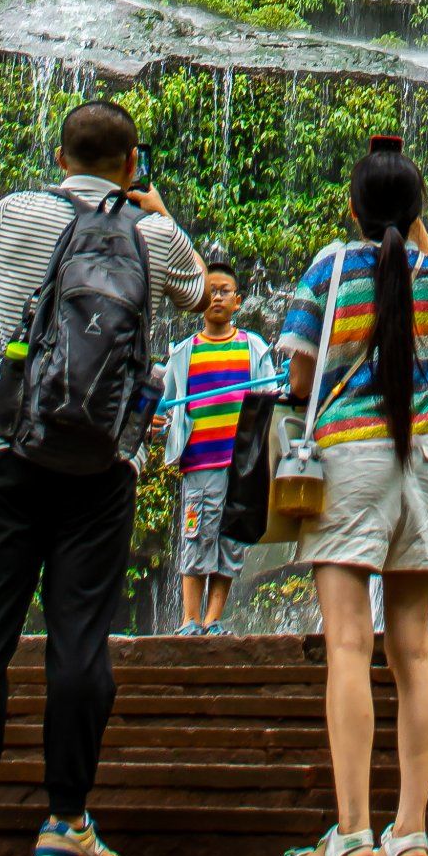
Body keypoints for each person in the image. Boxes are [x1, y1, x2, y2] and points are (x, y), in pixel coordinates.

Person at [0, 102, 204, 856]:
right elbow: (190, 289)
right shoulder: (153, 235)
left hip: (5, 442)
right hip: (104, 458)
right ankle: (65, 822)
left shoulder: (16, 214)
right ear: (132, 161)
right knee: (81, 638)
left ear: (58, 154)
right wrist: (154, 209)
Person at [276, 134, 428, 856]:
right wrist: (410, 210)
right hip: (420, 461)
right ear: (420, 212)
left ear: (351, 209)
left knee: (349, 645)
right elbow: (424, 262)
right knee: (414, 650)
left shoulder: (331, 264)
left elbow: (297, 371)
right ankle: (411, 832)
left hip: (347, 461)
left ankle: (352, 832)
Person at [156, 253, 279, 634]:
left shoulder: (254, 348)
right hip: (200, 463)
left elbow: (270, 399)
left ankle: (213, 620)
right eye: (210, 291)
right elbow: (167, 404)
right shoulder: (183, 352)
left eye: (225, 291)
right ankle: (189, 620)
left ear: (238, 300)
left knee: (230, 541)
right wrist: (159, 420)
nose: (217, 298)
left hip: (241, 465)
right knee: (196, 536)